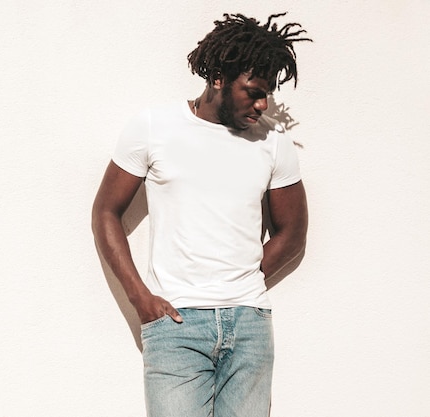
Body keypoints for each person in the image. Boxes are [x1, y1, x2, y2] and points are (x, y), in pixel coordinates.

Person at [92, 13, 310, 417]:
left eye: (268, 94)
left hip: (249, 324)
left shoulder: (273, 142)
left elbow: (293, 231)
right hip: (175, 326)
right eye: (253, 92)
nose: (262, 105)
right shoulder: (154, 127)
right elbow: (106, 211)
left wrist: (242, 275)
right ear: (218, 79)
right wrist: (140, 298)